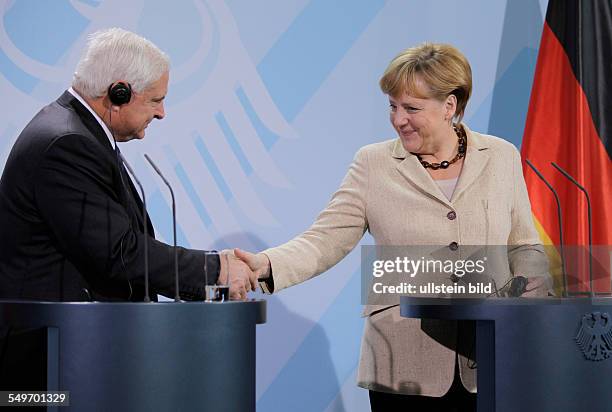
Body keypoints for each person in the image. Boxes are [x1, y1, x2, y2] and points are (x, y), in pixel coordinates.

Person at [235, 43, 549, 410]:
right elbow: (326, 239)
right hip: (402, 363)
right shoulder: (373, 164)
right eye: (393, 106)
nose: (399, 119)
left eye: (411, 108)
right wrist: (268, 264)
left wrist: (531, 289)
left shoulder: (501, 156)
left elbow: (524, 244)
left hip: (490, 359)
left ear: (450, 106)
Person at [0, 28, 256, 302]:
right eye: (156, 100)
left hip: (85, 335)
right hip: (57, 339)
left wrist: (214, 274)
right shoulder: (68, 144)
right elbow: (119, 252)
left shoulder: (81, 134)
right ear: (119, 93)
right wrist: (214, 270)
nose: (161, 113)